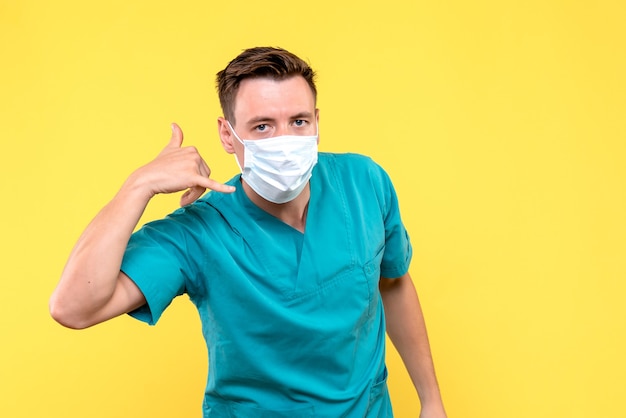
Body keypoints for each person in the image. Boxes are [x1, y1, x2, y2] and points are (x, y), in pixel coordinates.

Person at [50, 46, 446, 418]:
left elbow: (392, 283)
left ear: (317, 122)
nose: (284, 141)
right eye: (262, 127)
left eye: (298, 121)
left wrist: (431, 400)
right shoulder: (197, 232)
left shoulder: (364, 183)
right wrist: (138, 186)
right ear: (228, 135)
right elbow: (73, 307)